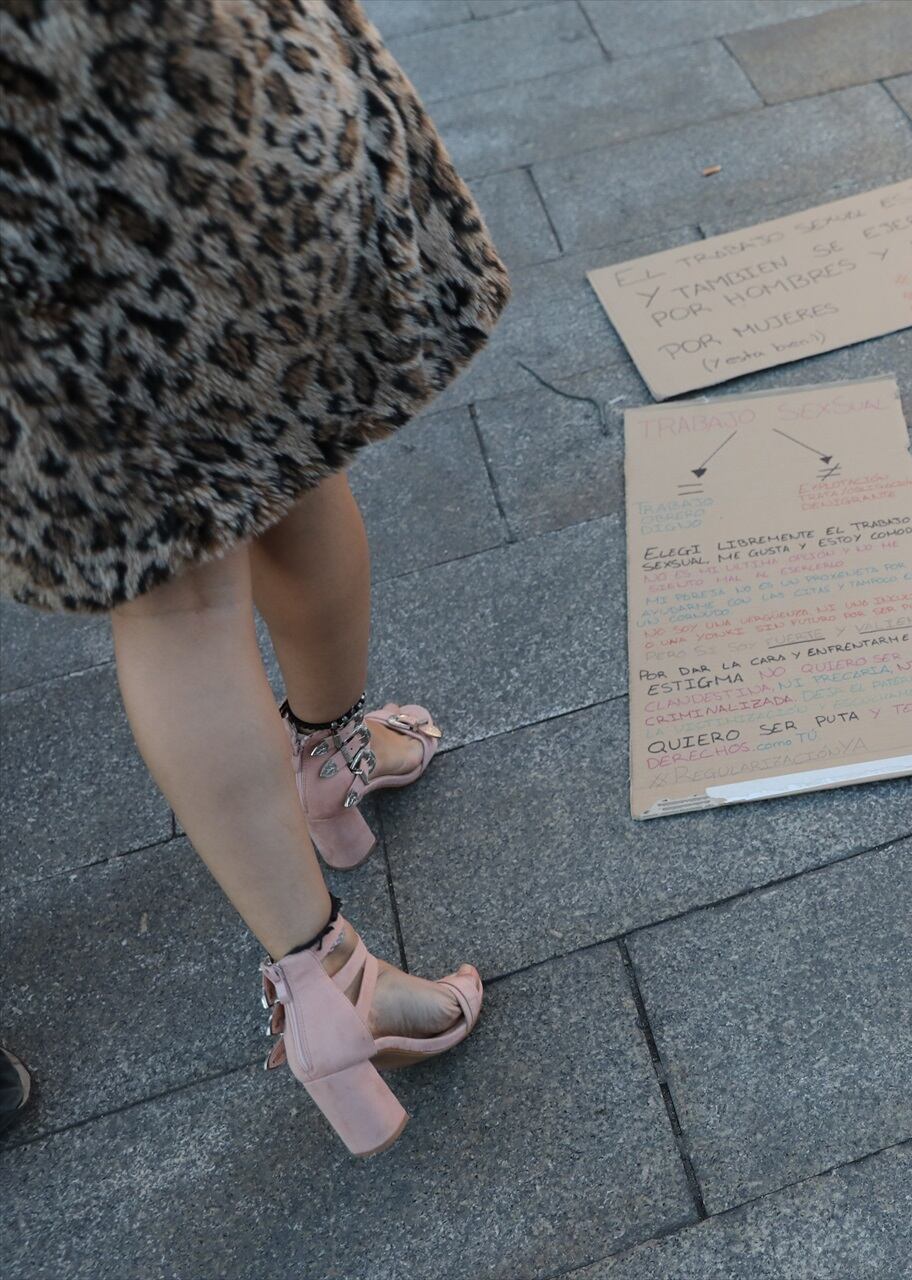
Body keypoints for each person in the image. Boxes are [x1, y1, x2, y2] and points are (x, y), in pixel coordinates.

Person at [2, 1, 511, 1156]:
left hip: (23, 213)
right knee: (286, 458)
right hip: (195, 106)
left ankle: (326, 974)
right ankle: (327, 761)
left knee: (173, 591)